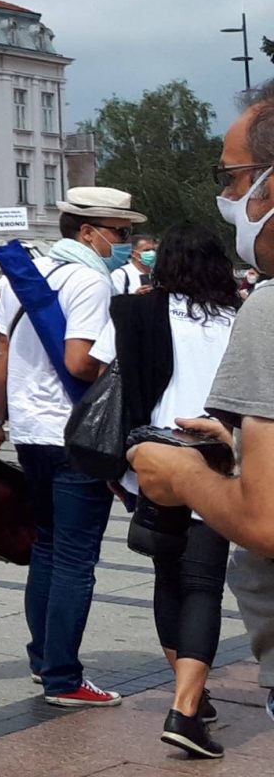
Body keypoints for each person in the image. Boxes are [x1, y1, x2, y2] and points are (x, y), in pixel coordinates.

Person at [128, 95, 274, 727]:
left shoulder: (267, 309)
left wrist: (182, 474)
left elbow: (267, 522)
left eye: (232, 178)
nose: (229, 197)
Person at [0, 185, 142, 709]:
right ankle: (64, 678)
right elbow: (79, 363)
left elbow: (1, 353)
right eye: (120, 232)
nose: (127, 243)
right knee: (73, 558)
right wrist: (124, 369)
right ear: (88, 231)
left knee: (47, 547)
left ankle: (43, 658)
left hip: (30, 433)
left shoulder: (29, 275)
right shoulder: (91, 280)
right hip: (74, 437)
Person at [110, 231, 241, 758]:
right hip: (217, 455)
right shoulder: (240, 318)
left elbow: (97, 369)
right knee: (204, 582)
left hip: (155, 456)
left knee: (168, 575)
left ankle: (191, 691)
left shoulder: (136, 312)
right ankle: (185, 710)